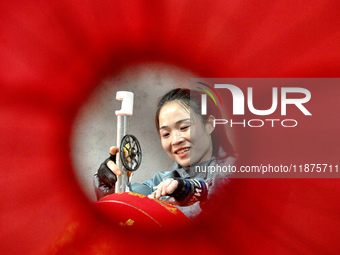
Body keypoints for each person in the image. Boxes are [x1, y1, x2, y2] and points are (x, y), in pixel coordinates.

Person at [93, 88, 236, 218]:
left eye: (184, 127)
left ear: (209, 124)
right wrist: (109, 182)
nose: (175, 140)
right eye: (166, 134)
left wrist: (198, 190)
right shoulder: (159, 184)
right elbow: (123, 204)